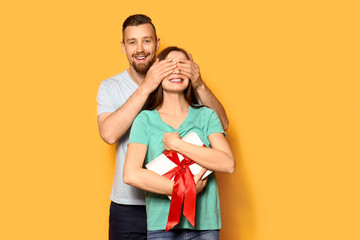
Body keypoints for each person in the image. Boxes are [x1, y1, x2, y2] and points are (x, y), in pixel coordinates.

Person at [97, 14, 229, 240]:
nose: (140, 48)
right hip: (131, 204)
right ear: (123, 47)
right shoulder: (111, 87)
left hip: (177, 206)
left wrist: (199, 84)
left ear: (157, 45)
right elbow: (108, 134)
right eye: (132, 42)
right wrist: (148, 85)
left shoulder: (177, 81)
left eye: (147, 41)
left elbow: (222, 124)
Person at [123, 46, 235, 240]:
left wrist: (178, 145)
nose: (176, 71)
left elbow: (228, 163)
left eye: (182, 65)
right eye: (169, 66)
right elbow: (131, 174)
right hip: (162, 226)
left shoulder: (206, 116)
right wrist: (183, 189)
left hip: (205, 226)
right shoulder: (145, 120)